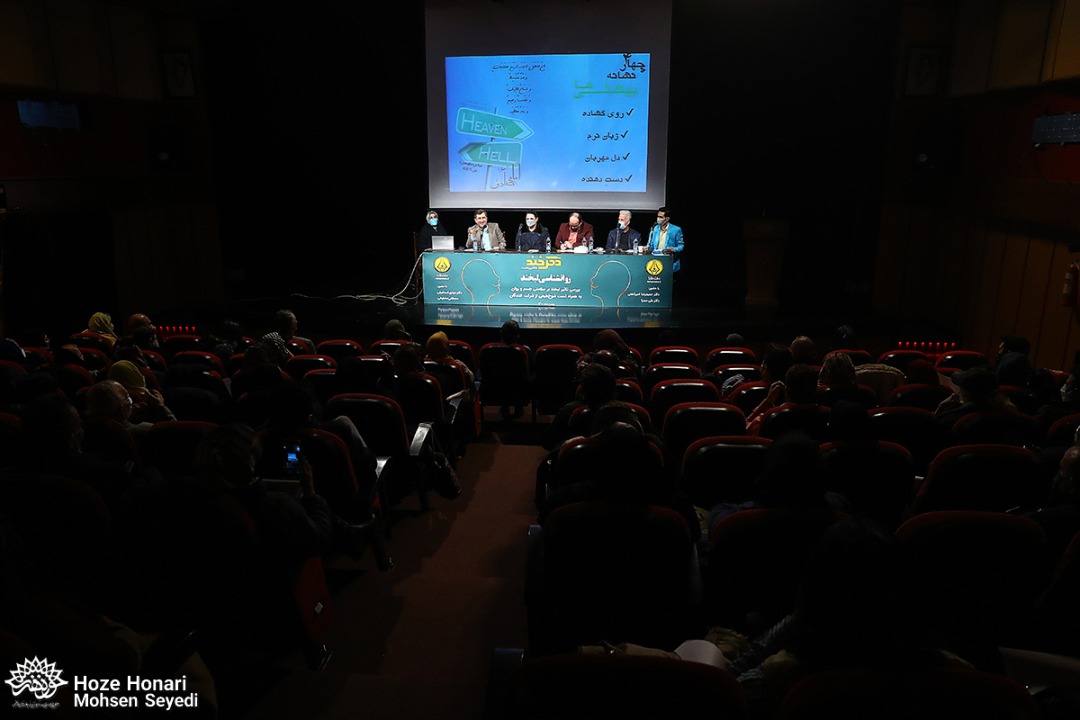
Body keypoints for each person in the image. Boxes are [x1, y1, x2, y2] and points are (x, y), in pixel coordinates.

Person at [645, 206, 684, 272]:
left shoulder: (676, 230)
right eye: (658, 216)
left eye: (661, 217)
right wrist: (647, 248)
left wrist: (674, 249)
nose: (658, 219)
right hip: (656, 260)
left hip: (669, 262)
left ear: (667, 218)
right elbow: (650, 244)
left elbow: (681, 246)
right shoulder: (655, 228)